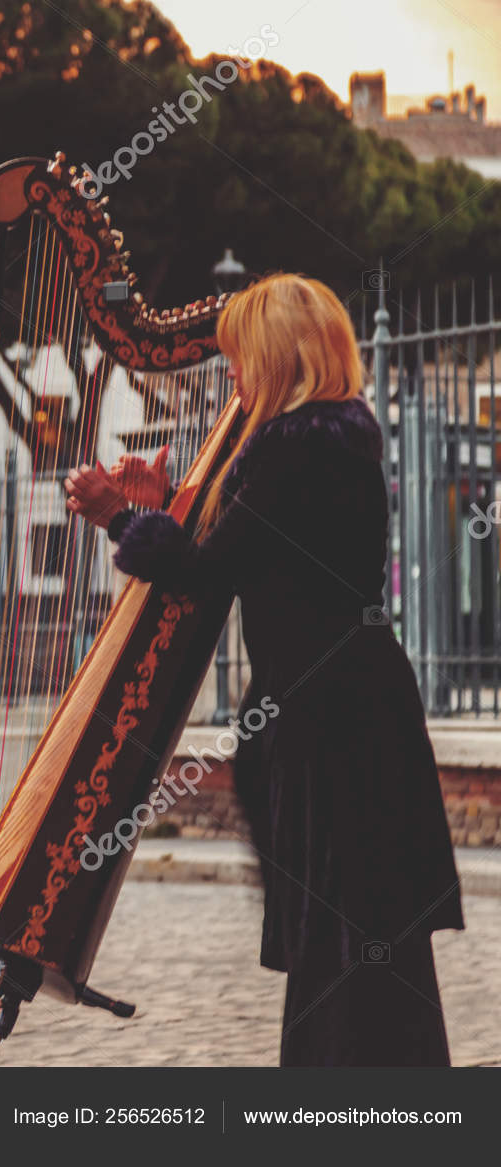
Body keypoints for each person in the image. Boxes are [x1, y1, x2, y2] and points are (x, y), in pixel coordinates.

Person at [64, 273, 462, 1067]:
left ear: (277, 356)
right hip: (346, 703)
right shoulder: (331, 438)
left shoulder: (301, 444)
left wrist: (120, 516)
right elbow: (253, 547)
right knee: (361, 930)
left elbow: (210, 568)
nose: (234, 376)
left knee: (342, 928)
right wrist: (163, 504)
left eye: (240, 358)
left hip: (331, 718)